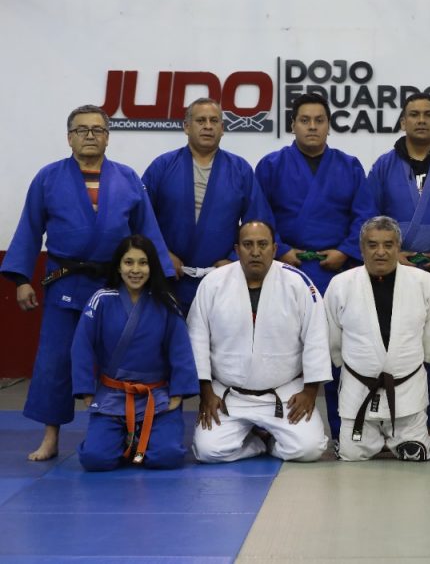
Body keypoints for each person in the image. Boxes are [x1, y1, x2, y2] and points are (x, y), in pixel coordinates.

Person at [1, 104, 173, 462]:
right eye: (82, 130)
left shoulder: (127, 178)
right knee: (56, 361)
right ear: (69, 138)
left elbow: (147, 232)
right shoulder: (48, 178)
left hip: (115, 286)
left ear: (108, 137)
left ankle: (125, 428)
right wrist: (21, 279)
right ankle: (51, 436)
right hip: (65, 283)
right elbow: (30, 229)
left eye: (98, 129)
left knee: (122, 358)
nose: (90, 135)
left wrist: (160, 280)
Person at [255, 92, 375, 444]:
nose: (312, 127)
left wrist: (345, 250)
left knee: (338, 352)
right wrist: (281, 250)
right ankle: (272, 424)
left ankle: (344, 429)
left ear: (328, 126)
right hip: (286, 271)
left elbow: (364, 216)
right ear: (292, 125)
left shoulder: (349, 166)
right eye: (304, 120)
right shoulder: (271, 166)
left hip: (337, 272)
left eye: (319, 120)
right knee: (283, 347)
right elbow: (259, 216)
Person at [365, 92, 430, 440]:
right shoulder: (383, 166)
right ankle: (393, 415)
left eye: (428, 114)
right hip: (394, 269)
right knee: (399, 340)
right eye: (414, 114)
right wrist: (392, 255)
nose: (421, 120)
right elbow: (370, 217)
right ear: (403, 121)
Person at [189, 221, 330, 463]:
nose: (255, 252)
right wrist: (206, 392)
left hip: (284, 394)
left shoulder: (298, 283)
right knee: (207, 451)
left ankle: (272, 442)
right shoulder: (213, 283)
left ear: (274, 249)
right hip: (229, 396)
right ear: (237, 249)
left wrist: (309, 391)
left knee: (310, 449)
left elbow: (316, 337)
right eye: (248, 245)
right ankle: (256, 444)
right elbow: (197, 339)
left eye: (262, 244)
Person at [71, 235, 199, 471]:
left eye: (143, 262)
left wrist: (179, 391)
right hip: (113, 394)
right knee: (95, 459)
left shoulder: (166, 302)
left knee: (167, 456)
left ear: (152, 267)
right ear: (118, 267)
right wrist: (86, 389)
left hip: (156, 396)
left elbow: (180, 349)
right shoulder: (101, 300)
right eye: (129, 262)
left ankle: (139, 440)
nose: (136, 270)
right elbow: (82, 346)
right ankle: (126, 440)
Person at [324, 216, 430, 462]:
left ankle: (404, 438)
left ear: (398, 247)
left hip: (406, 389)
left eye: (388, 245)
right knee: (351, 454)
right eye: (372, 245)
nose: (380, 252)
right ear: (361, 248)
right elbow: (334, 340)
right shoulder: (340, 285)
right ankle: (373, 440)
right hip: (359, 389)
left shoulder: (424, 283)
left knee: (415, 454)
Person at [143, 98, 275, 311]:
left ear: (222, 128)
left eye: (214, 121)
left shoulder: (240, 170)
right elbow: (142, 218)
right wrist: (161, 254)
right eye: (200, 120)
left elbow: (257, 222)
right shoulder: (162, 166)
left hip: (223, 281)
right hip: (169, 279)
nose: (207, 126)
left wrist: (235, 259)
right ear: (186, 127)